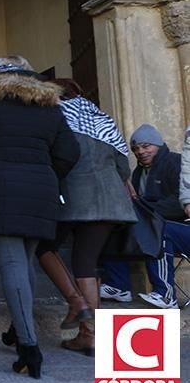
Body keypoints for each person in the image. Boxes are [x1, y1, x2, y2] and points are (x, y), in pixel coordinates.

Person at [0, 56, 79, 379]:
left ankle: (29, 348)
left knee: (12, 265)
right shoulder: (48, 105)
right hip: (40, 190)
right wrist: (46, 173)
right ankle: (17, 329)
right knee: (25, 262)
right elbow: (69, 151)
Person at [38, 79, 136, 356]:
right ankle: (90, 333)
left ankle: (80, 309)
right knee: (86, 263)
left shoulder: (56, 118)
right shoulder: (102, 118)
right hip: (110, 199)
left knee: (43, 246)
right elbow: (122, 166)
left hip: (73, 197)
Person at [100, 124, 183, 308]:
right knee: (115, 224)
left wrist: (144, 209)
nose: (141, 152)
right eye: (136, 149)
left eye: (146, 146)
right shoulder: (138, 172)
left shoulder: (175, 163)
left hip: (183, 227)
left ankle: (166, 295)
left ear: (158, 145)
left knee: (160, 230)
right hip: (159, 222)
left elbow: (180, 203)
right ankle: (118, 286)